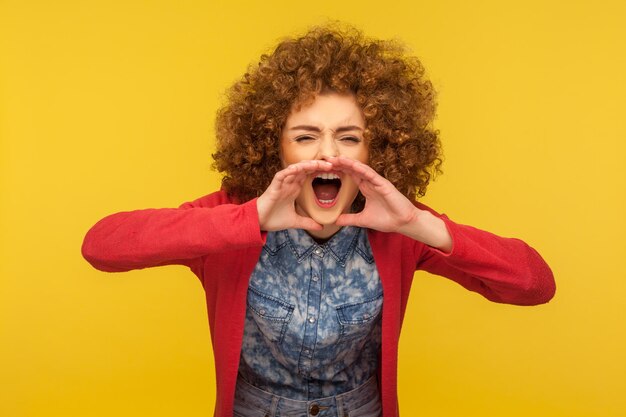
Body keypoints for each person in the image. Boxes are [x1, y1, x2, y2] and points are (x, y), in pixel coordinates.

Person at [82, 25, 555, 417]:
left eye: (349, 138)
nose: (328, 153)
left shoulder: (397, 226)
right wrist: (248, 219)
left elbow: (534, 284)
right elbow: (103, 246)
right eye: (306, 136)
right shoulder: (232, 216)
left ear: (377, 149)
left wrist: (419, 223)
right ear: (275, 146)